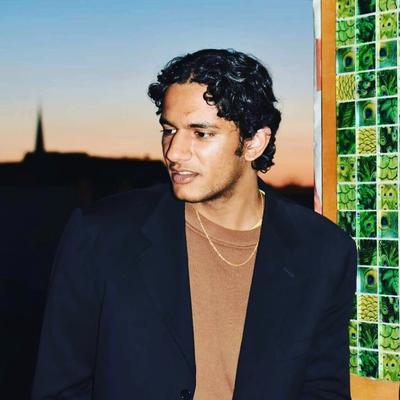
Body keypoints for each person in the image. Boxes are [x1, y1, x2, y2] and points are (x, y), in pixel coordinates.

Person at [32, 49, 357, 400]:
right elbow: (59, 388)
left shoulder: (323, 251)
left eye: (201, 133)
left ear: (253, 143)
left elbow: (324, 389)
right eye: (169, 130)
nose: (173, 152)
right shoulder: (101, 235)